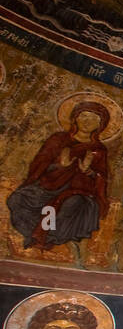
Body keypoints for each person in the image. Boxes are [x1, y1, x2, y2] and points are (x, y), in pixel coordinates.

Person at [8, 101, 110, 251]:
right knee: (17, 199)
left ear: (100, 125)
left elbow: (102, 178)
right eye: (84, 116)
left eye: (94, 118)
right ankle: (35, 234)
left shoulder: (99, 150)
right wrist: (60, 165)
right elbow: (39, 164)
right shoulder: (58, 139)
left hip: (79, 191)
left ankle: (48, 237)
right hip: (49, 185)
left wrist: (88, 171)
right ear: (75, 118)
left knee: (71, 204)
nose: (88, 121)